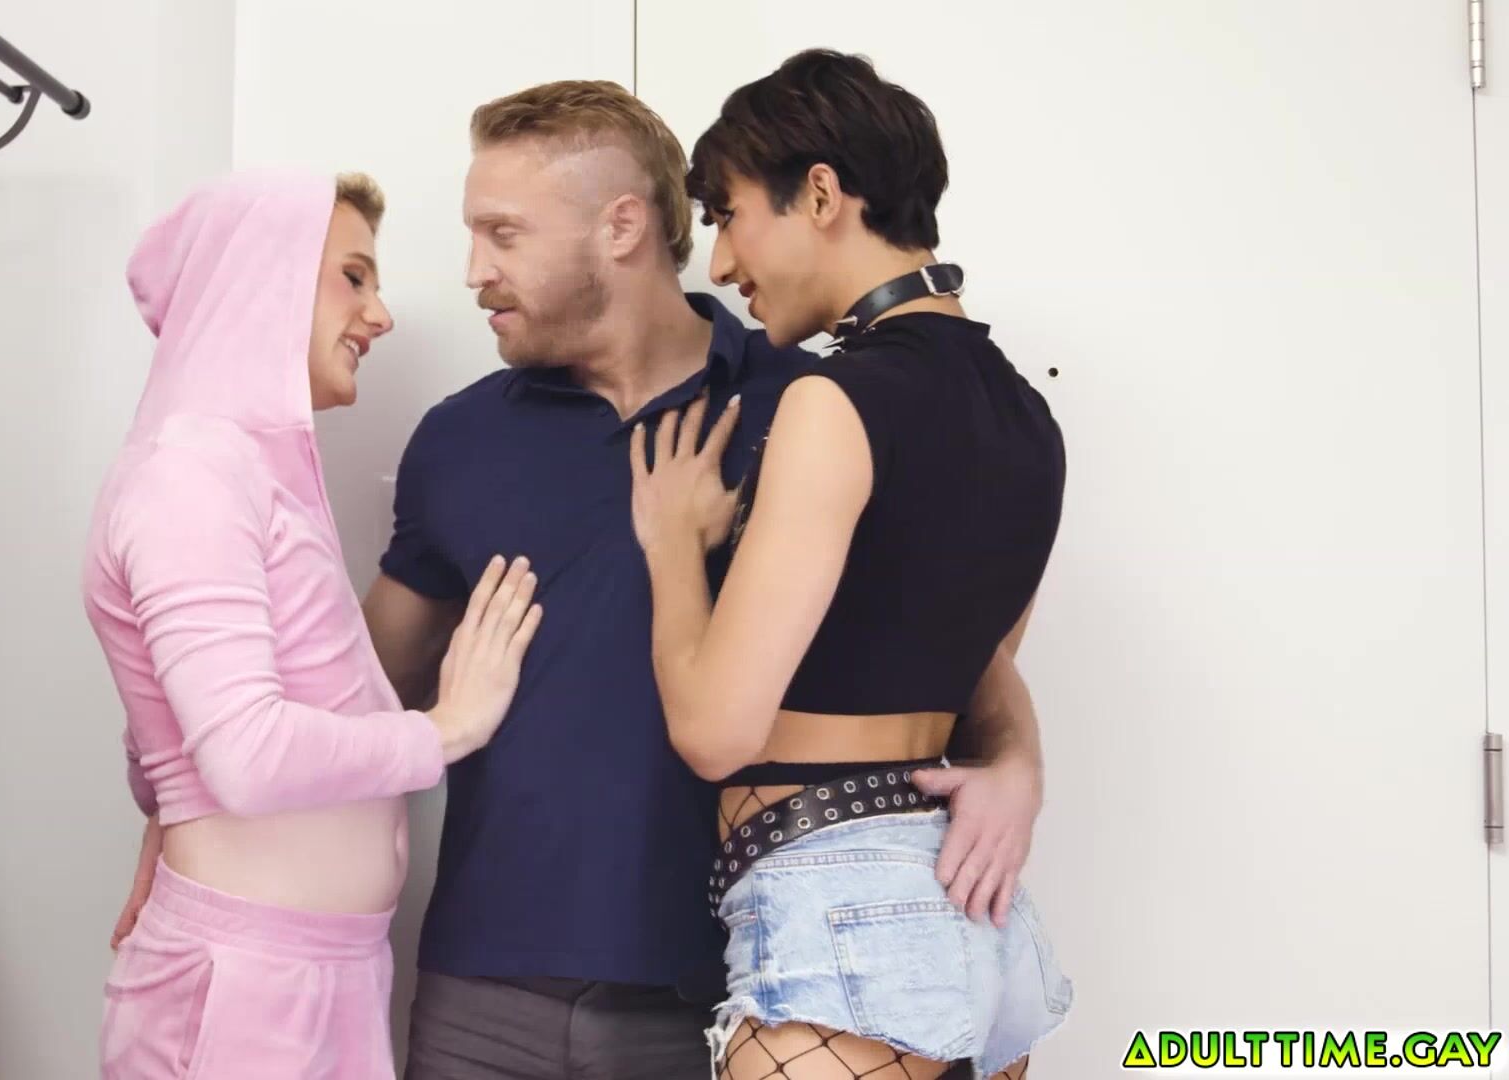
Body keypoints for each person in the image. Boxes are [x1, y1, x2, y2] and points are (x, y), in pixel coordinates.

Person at [363, 80, 1046, 1080]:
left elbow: (954, 644)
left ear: (620, 226)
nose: (474, 271)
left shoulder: (817, 403)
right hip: (483, 990)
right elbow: (359, 697)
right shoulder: (457, 440)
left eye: (501, 233)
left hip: (729, 982)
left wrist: (1017, 763)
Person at [628, 50, 1075, 1079]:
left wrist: (672, 548)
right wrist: (1021, 764)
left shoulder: (831, 403)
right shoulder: (1027, 419)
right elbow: (976, 668)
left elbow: (714, 731)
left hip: (839, 914)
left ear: (821, 195)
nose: (720, 263)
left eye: (731, 215)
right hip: (968, 917)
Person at [84, 169, 542, 1080]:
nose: (380, 315)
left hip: (308, 973)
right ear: (262, 276)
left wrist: (169, 801)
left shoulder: (243, 475)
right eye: (353, 277)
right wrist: (446, 730)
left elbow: (178, 724)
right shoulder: (190, 479)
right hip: (248, 985)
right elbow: (246, 756)